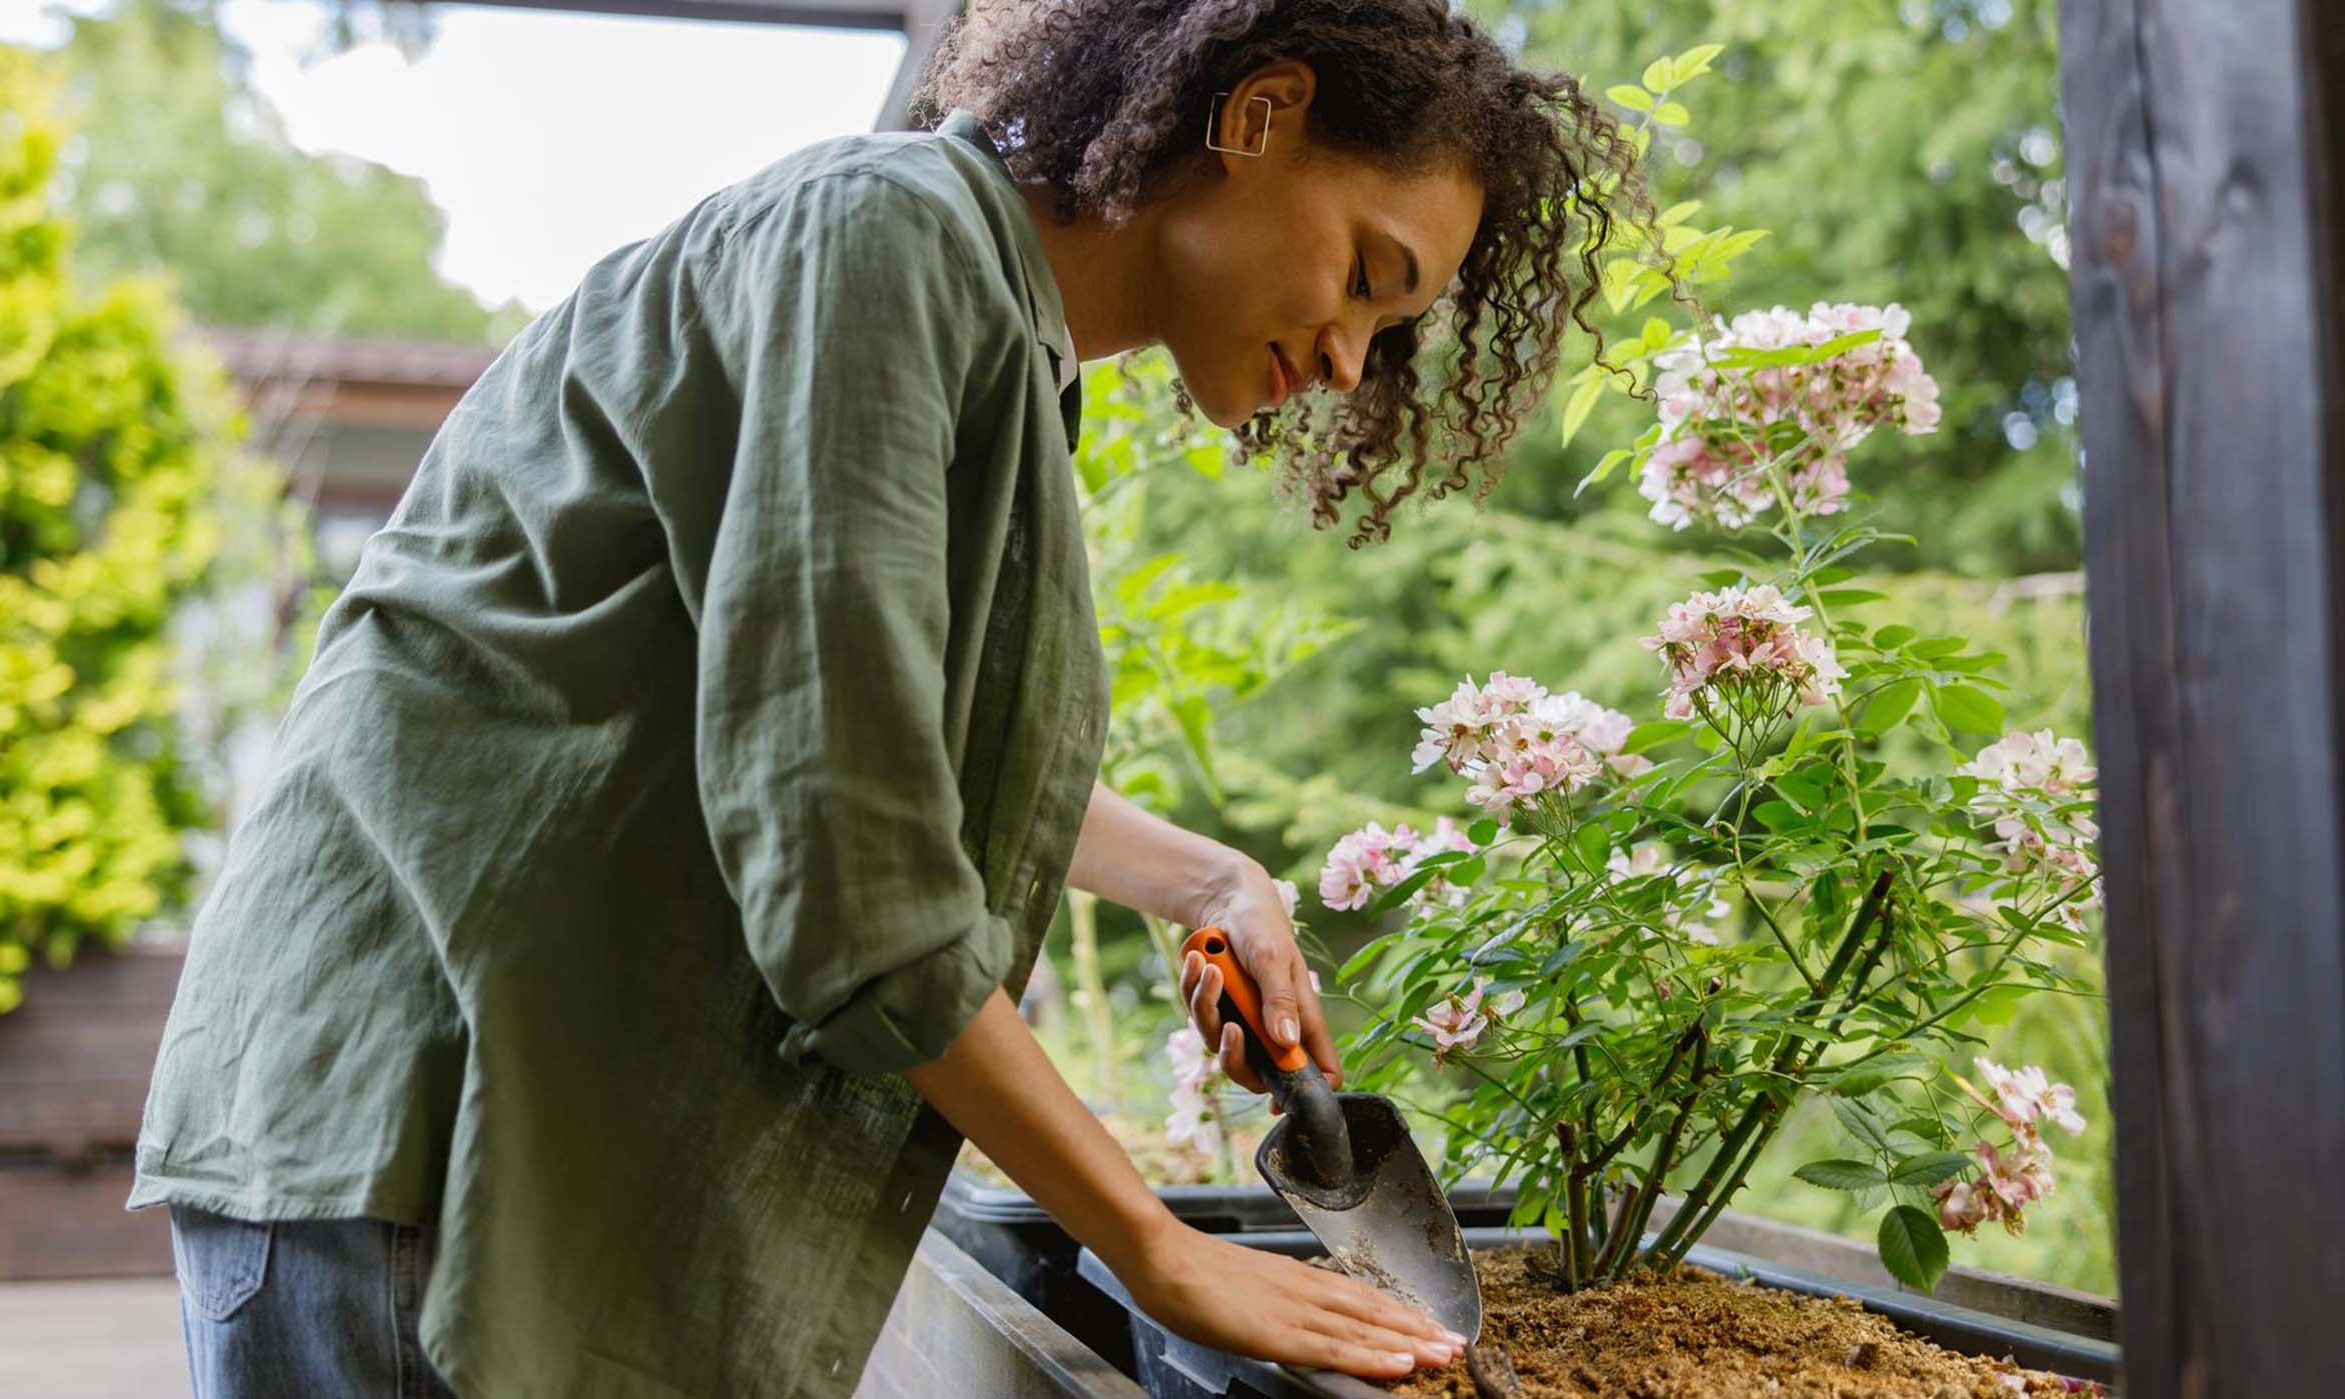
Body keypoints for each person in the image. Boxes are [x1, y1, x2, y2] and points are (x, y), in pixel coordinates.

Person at [128, 2, 1643, 1395]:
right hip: (422, 1127)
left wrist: (1205, 879)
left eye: (1392, 335)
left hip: (492, 1139)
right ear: (1256, 117)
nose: (1346, 358)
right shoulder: (884, 244)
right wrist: (1156, 1247)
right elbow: (851, 869)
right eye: (1369, 280)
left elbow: (852, 733)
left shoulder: (989, 327)